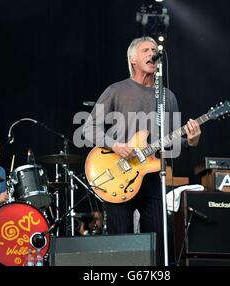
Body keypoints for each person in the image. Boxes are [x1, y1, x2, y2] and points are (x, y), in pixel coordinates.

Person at [83, 37, 201, 265]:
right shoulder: (116, 90)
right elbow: (89, 129)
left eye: (155, 50)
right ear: (133, 59)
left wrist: (192, 142)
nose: (152, 53)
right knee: (120, 244)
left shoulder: (168, 97)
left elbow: (171, 145)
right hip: (118, 175)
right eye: (146, 50)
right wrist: (115, 145)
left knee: (159, 244)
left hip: (152, 177)